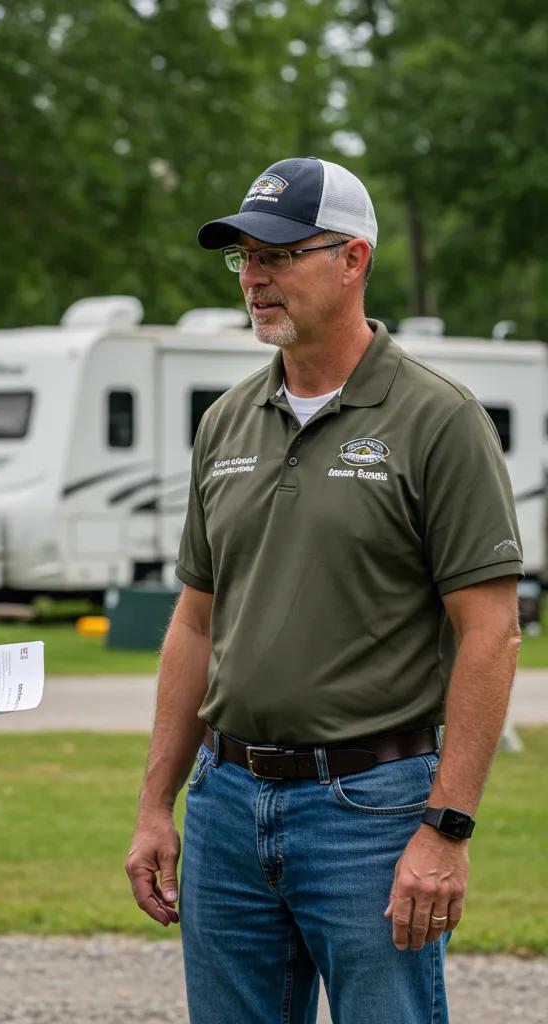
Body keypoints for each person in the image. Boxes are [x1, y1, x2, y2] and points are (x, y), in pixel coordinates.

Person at [125, 158, 521, 1023]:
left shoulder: (438, 419)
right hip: (227, 802)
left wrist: (447, 828)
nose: (255, 278)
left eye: (279, 254)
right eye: (243, 258)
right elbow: (195, 624)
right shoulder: (226, 421)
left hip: (371, 809)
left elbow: (491, 633)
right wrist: (156, 805)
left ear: (353, 259)